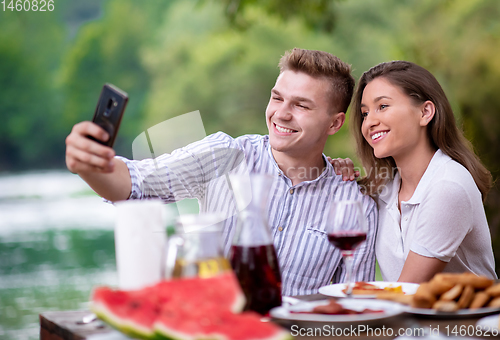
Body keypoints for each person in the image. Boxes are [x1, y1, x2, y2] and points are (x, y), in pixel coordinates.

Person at [65, 48, 378, 296]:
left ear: (335, 123)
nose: (281, 113)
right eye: (277, 97)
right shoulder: (226, 156)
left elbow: (353, 307)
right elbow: (136, 185)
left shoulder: (356, 203)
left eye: (302, 106)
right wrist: (92, 165)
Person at [347, 60, 496, 282]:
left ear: (425, 112)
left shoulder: (448, 186)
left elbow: (407, 291)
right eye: (365, 113)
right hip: (407, 314)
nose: (369, 122)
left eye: (383, 106)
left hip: (461, 317)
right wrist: (336, 169)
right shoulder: (383, 190)